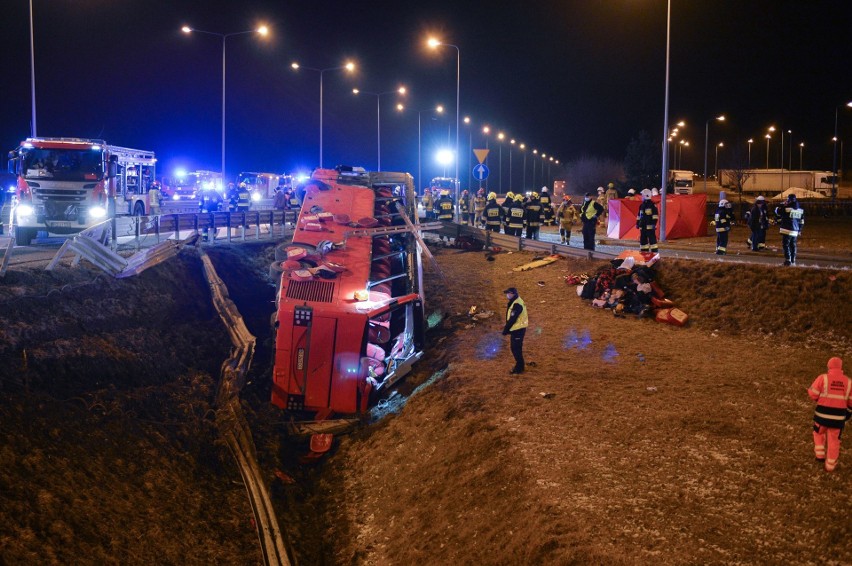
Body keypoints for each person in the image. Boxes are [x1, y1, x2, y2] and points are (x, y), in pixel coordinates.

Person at [807, 357, 852, 472]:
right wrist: (848, 413)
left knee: (818, 433)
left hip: (822, 416)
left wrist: (819, 400)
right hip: (838, 418)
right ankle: (830, 465)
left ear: (829, 366)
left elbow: (812, 393)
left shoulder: (823, 378)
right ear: (841, 367)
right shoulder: (849, 382)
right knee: (834, 440)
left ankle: (820, 455)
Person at [502, 287, 528, 375]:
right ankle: (520, 365)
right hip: (517, 329)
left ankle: (519, 368)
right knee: (516, 348)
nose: (507, 295)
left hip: (518, 330)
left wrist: (506, 330)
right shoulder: (516, 301)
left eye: (508, 293)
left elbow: (513, 319)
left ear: (513, 294)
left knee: (516, 349)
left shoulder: (517, 305)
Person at [776, 193, 804, 266]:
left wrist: (782, 205)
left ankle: (787, 260)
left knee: (786, 245)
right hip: (795, 231)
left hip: (787, 230)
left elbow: (777, 212)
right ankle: (793, 260)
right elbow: (802, 221)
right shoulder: (800, 210)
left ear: (789, 200)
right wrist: (800, 230)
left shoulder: (786, 208)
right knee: (793, 245)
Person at [636, 189, 659, 253]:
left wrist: (653, 224)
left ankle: (654, 254)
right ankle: (644, 253)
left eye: (642, 195)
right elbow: (639, 216)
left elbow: (655, 216)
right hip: (643, 227)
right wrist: (637, 223)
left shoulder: (652, 205)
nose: (642, 197)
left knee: (652, 241)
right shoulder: (641, 205)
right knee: (643, 241)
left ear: (646, 195)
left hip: (650, 227)